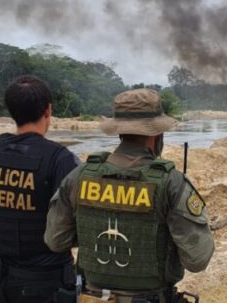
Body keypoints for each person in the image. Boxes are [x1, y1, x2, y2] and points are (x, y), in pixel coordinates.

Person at [44, 88, 214, 303]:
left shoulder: (79, 177)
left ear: (119, 131)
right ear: (156, 133)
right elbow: (198, 259)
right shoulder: (172, 183)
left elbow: (55, 241)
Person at [0, 75, 79, 303]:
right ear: (48, 111)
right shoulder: (60, 159)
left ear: (11, 111)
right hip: (46, 287)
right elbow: (71, 233)